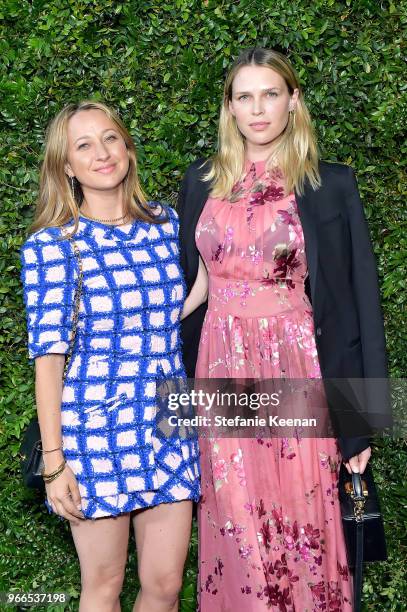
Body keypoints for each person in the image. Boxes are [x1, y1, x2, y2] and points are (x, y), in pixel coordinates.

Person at [178, 48, 388, 610]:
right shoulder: (199, 183)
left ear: (293, 101)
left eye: (270, 94)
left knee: (303, 519)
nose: (258, 108)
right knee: (238, 529)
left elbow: (356, 307)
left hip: (297, 368)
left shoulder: (330, 185)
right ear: (229, 108)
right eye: (244, 96)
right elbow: (196, 285)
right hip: (220, 368)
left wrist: (358, 422)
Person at [20, 100, 200, 612]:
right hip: (98, 433)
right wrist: (55, 464)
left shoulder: (167, 224)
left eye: (110, 139)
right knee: (104, 588)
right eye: (83, 146)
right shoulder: (54, 247)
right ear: (66, 168)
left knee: (165, 587)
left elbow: (170, 311)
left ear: (128, 148)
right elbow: (48, 361)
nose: (101, 153)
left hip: (172, 419)